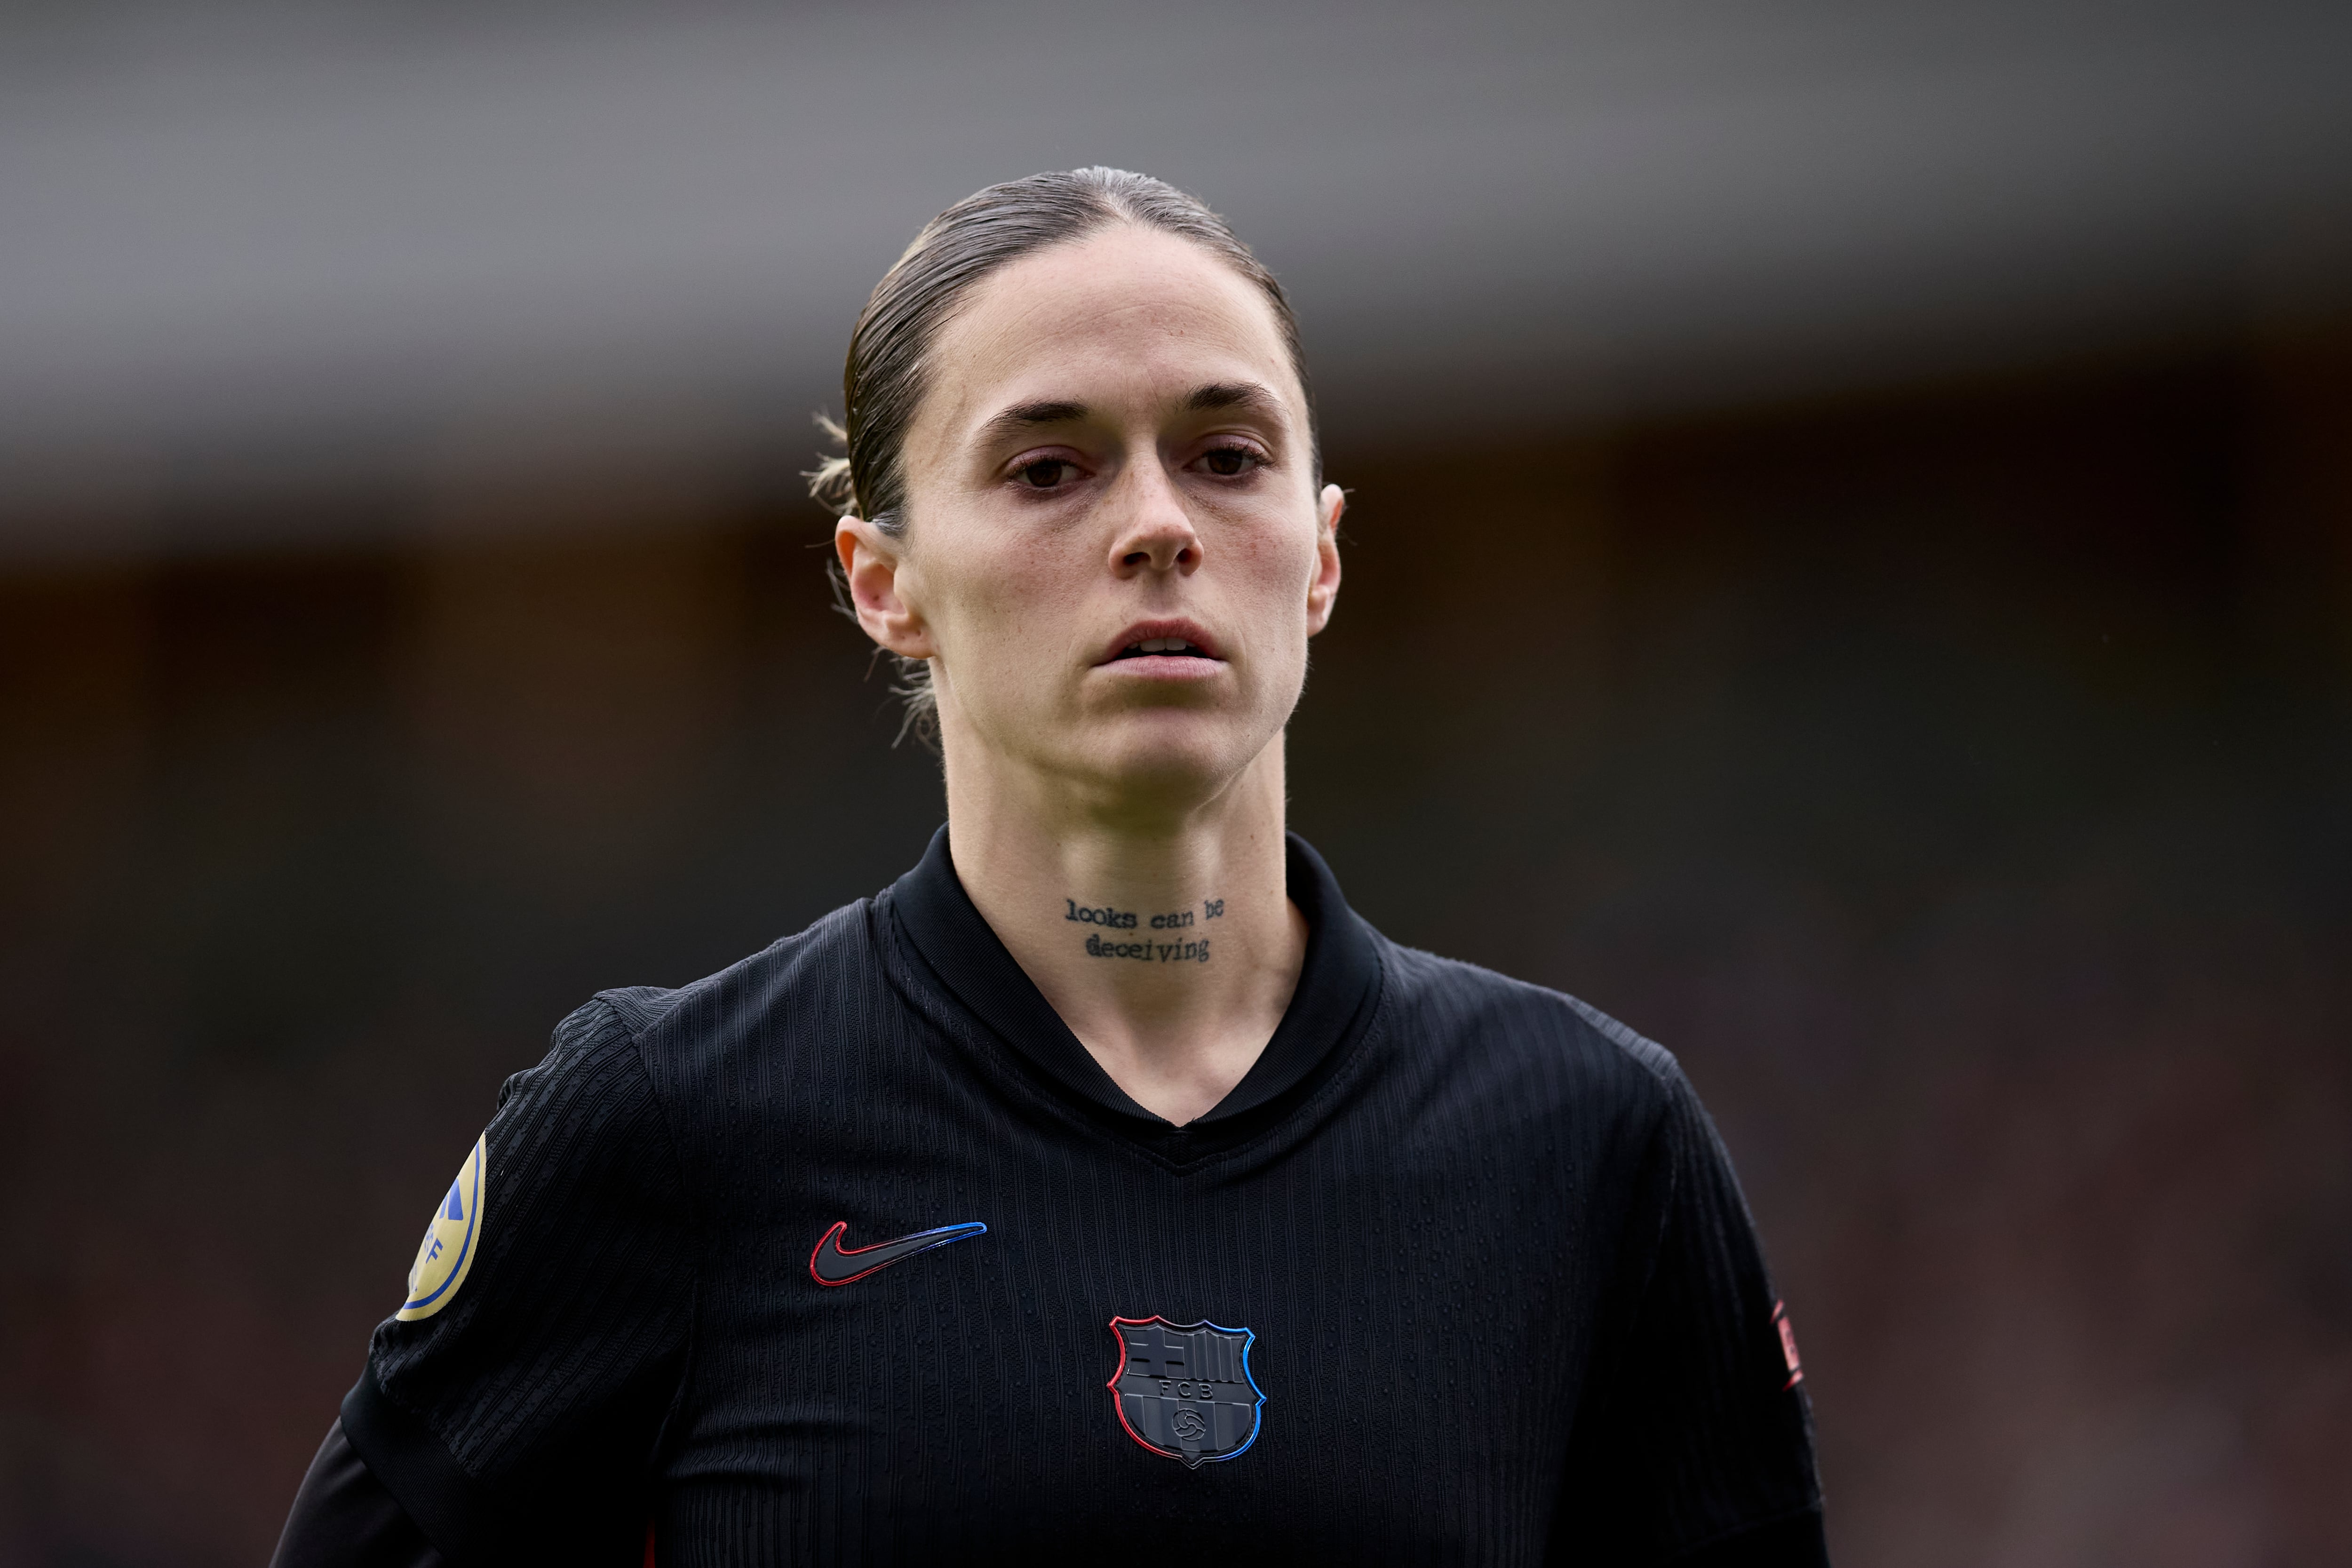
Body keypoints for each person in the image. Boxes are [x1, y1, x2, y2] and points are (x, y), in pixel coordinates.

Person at [271, 167, 1826, 1567]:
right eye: (1048, 470)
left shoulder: (1593, 1142)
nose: (1156, 524)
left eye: (1226, 456)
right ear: (883, 582)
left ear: (1323, 555)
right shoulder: (667, 1122)